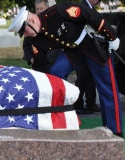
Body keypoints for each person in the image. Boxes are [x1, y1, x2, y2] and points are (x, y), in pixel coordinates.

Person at [8, 2, 123, 137]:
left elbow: (90, 15)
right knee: (55, 72)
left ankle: (115, 130)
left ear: (32, 20)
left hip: (93, 45)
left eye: (25, 30)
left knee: (107, 87)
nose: (26, 35)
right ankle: (61, 115)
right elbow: (39, 64)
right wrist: (36, 83)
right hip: (74, 50)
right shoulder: (36, 40)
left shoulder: (58, 11)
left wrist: (112, 37)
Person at [74, 0, 102, 114]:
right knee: (82, 78)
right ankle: (78, 104)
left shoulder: (89, 7)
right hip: (82, 49)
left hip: (89, 50)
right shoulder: (83, 7)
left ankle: (91, 103)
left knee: (90, 77)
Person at [23, 0, 50, 72]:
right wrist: (29, 58)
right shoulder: (30, 24)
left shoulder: (53, 22)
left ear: (47, 8)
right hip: (36, 62)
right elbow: (26, 45)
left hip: (51, 62)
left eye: (41, 8)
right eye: (37, 9)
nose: (39, 11)